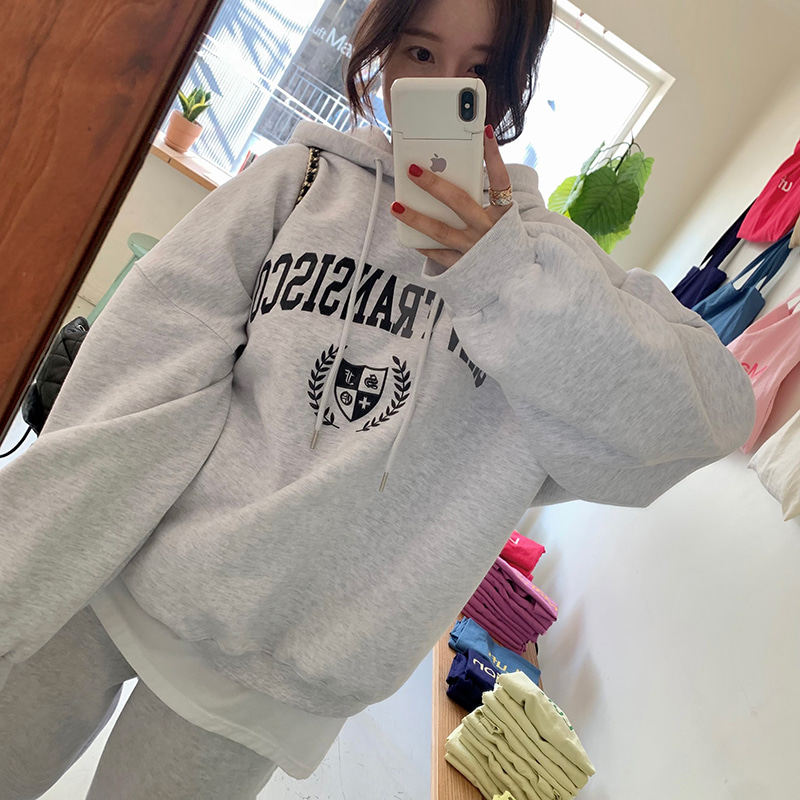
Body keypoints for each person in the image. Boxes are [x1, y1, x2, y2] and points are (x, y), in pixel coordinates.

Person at [0, 0, 755, 797]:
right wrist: (26, 554)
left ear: (509, 85)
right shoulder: (299, 182)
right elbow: (148, 370)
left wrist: (504, 277)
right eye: (421, 54)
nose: (443, 85)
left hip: (271, 674)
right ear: (382, 53)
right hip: (121, 575)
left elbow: (711, 413)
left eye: (479, 70)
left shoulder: (554, 271)